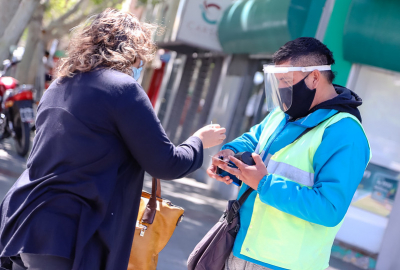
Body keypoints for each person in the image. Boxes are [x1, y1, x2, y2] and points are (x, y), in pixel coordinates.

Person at [0, 9, 226, 270]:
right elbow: (166, 163)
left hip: (23, 221)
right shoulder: (123, 89)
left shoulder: (60, 84)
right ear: (134, 49)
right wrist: (198, 141)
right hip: (69, 232)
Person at [207, 37, 370, 270]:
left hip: (283, 264)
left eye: (285, 80)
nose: (281, 89)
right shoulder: (282, 114)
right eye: (277, 81)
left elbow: (330, 208)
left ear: (314, 77)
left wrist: (264, 183)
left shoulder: (345, 133)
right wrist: (230, 155)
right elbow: (255, 139)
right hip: (241, 248)